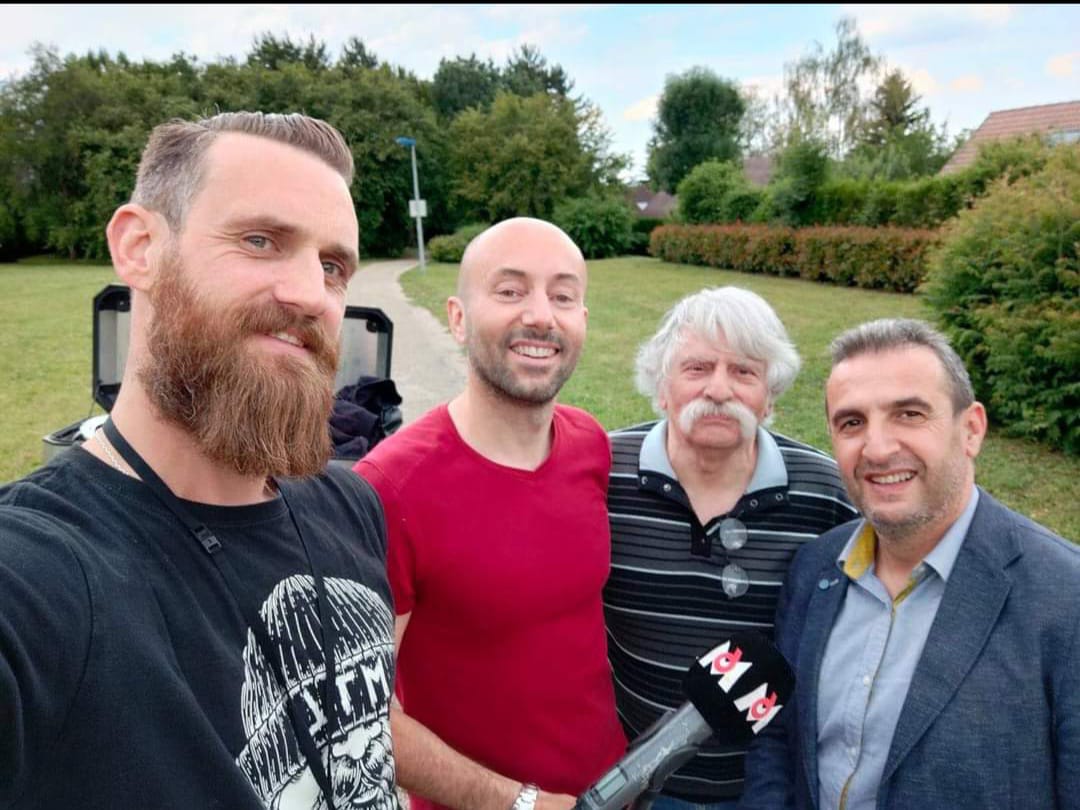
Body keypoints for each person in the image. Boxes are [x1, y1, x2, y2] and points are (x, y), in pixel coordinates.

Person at [0, 113, 398, 809]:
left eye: (333, 267)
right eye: (260, 241)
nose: (312, 295)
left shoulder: (351, 506)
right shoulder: (39, 576)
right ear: (140, 248)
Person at [740, 318, 1080, 810]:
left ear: (971, 429)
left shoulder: (1065, 598)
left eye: (909, 414)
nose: (878, 449)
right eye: (852, 423)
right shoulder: (815, 569)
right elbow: (779, 737)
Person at [355, 218, 626, 810]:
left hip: (613, 789)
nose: (541, 316)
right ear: (457, 318)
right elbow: (364, 714)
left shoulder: (590, 444)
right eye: (510, 291)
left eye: (563, 296)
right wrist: (521, 803)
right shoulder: (389, 488)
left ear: (583, 319)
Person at [604, 286, 858, 808]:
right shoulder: (602, 474)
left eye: (744, 372)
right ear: (662, 388)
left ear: (770, 397)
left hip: (768, 788)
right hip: (633, 785)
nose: (718, 389)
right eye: (697, 368)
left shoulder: (828, 493)